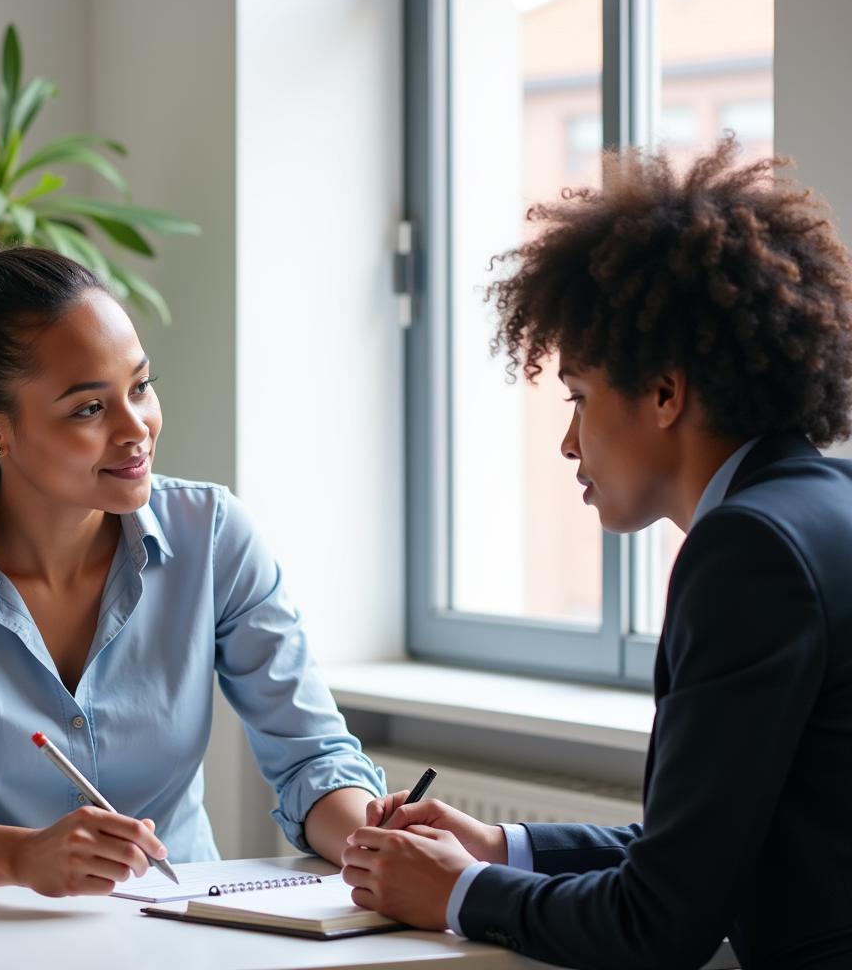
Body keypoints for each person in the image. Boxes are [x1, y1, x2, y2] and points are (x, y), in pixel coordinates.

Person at [341, 138, 852, 970]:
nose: (570, 442)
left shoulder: (747, 550)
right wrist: (501, 847)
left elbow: (659, 924)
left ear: (664, 392)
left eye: (578, 397)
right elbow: (695, 844)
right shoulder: (827, 503)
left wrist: (457, 894)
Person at [0, 213, 384, 895]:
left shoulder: (212, 533)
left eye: (141, 387)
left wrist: (375, 841)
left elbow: (316, 763)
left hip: (182, 931)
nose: (136, 430)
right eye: (89, 409)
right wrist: (21, 858)